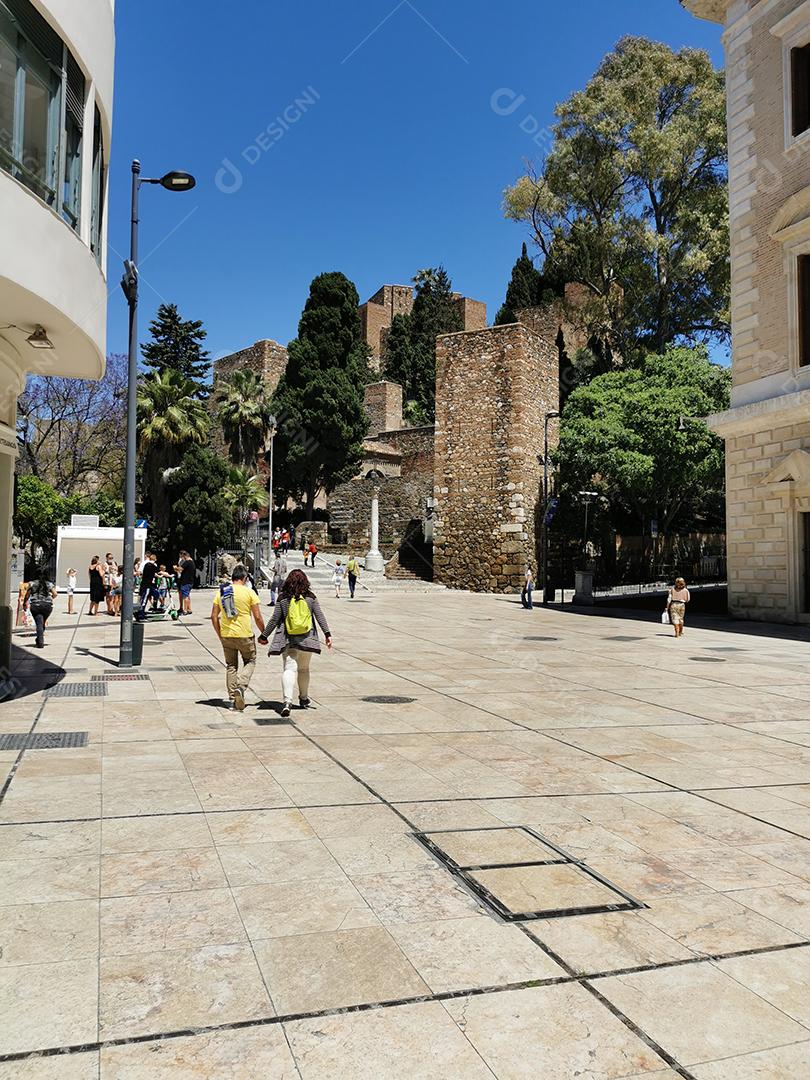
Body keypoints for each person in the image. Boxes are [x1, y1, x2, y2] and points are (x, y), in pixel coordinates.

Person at [260, 568, 332, 718]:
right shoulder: (311, 597)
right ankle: (304, 698)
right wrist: (327, 634)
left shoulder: (283, 598)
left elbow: (274, 619)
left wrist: (264, 635)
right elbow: (320, 616)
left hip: (289, 639)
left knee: (289, 668)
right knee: (304, 669)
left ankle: (287, 701)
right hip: (307, 639)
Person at [211, 564, 266, 711]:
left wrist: (219, 633)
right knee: (250, 661)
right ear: (245, 578)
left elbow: (213, 616)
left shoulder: (222, 592)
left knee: (231, 666)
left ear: (233, 577)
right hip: (245, 634)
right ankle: (241, 687)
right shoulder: (249, 593)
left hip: (227, 635)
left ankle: (231, 699)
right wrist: (264, 633)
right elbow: (258, 617)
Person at [26, 567, 57, 648]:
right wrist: (50, 598)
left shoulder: (32, 583)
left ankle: (40, 641)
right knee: (41, 622)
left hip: (35, 605)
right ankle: (39, 639)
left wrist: (24, 604)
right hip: (47, 606)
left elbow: (27, 595)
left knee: (39, 623)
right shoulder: (49, 584)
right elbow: (55, 594)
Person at [137, 552, 159, 617]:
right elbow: (159, 571)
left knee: (156, 594)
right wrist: (168, 575)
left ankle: (154, 607)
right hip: (146, 584)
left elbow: (154, 573)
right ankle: (141, 613)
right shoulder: (150, 565)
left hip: (149, 584)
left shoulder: (147, 564)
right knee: (144, 598)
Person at [176, 550, 196, 616]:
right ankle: (189, 609)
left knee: (185, 596)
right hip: (190, 581)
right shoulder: (192, 562)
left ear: (185, 556)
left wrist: (175, 568)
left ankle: (185, 610)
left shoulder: (187, 562)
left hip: (186, 581)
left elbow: (180, 569)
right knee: (187, 595)